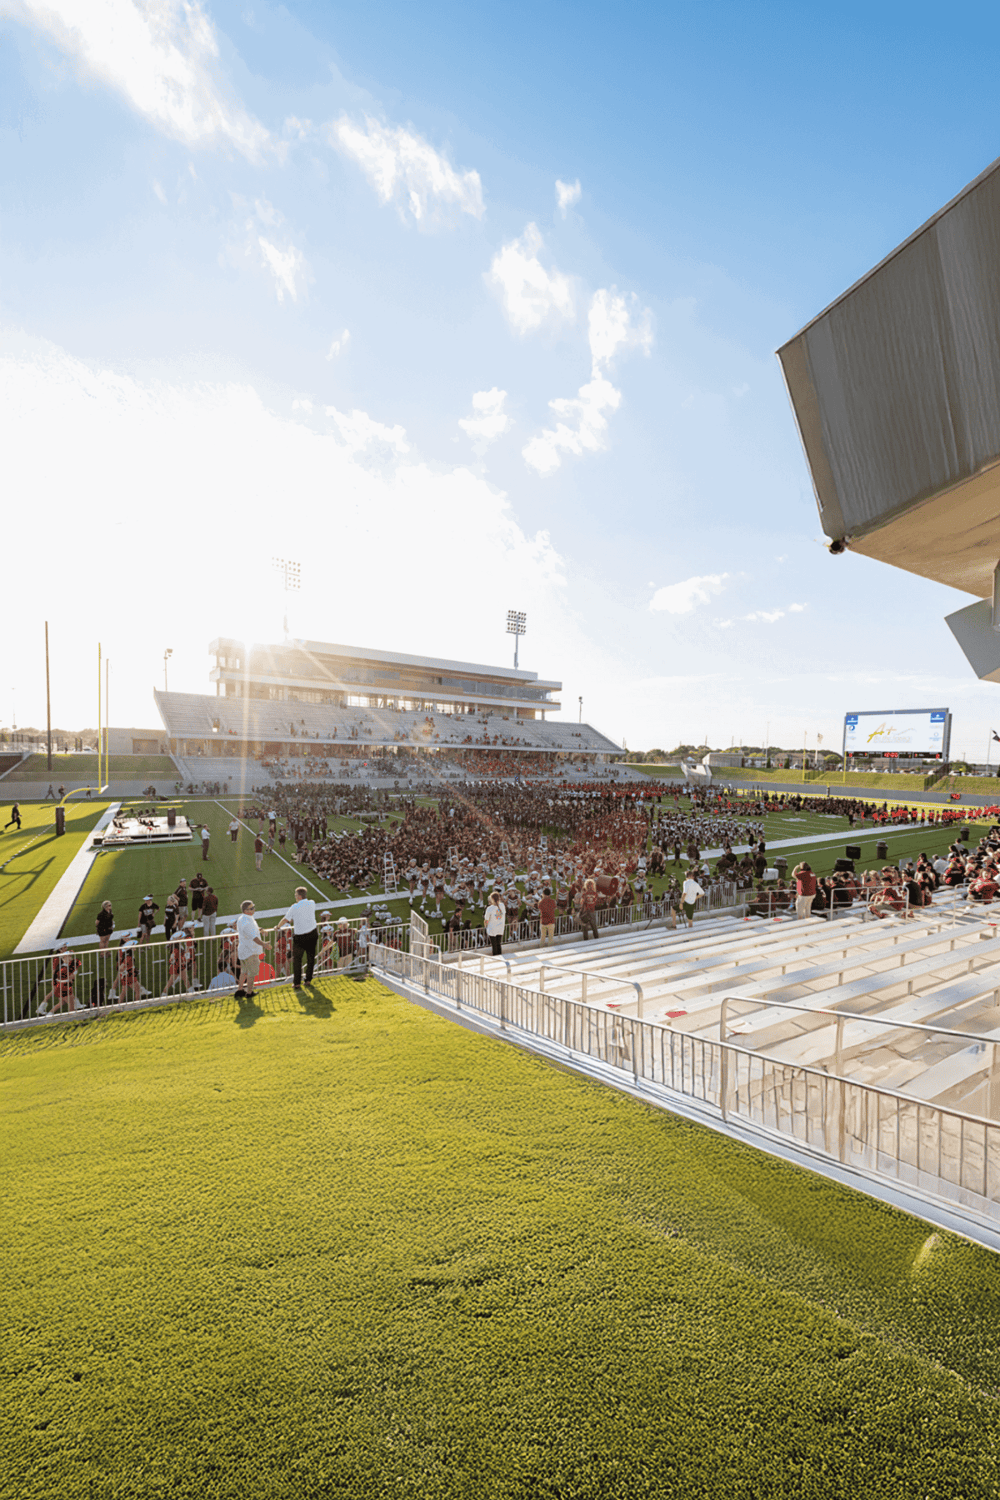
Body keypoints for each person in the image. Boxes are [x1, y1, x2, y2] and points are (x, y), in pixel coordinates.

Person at [278, 886, 318, 988]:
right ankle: (308, 980)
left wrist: (277, 926)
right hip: (312, 933)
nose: (295, 897)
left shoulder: (294, 907)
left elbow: (285, 919)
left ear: (299, 896)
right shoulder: (312, 903)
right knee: (310, 958)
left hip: (300, 937)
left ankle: (296, 983)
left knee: (297, 960)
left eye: (296, 895)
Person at [235, 899, 264, 999]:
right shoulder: (246, 920)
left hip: (244, 950)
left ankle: (240, 990)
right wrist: (264, 944)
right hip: (250, 951)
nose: (254, 909)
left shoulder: (244, 918)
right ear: (245, 910)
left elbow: (250, 931)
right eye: (252, 908)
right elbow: (253, 937)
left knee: (244, 972)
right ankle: (249, 992)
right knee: (251, 973)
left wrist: (260, 929)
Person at [484, 889, 506, 956]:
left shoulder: (490, 908)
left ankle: (496, 956)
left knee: (494, 945)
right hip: (500, 927)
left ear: (492, 899)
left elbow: (486, 919)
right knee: (498, 943)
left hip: (492, 928)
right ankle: (500, 956)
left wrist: (486, 926)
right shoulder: (502, 906)